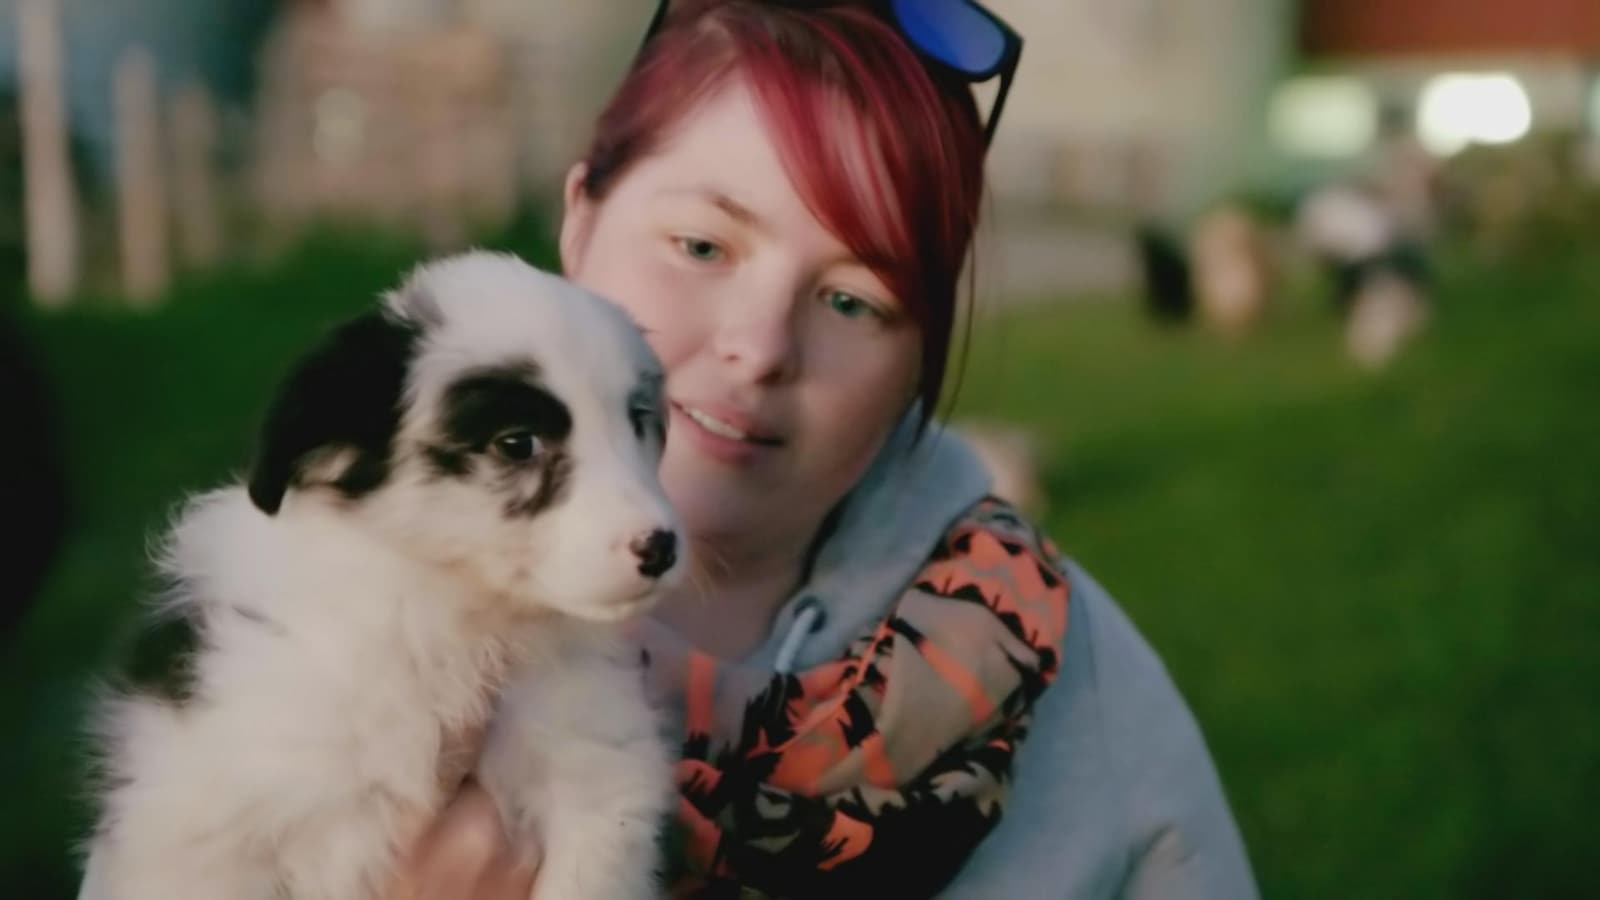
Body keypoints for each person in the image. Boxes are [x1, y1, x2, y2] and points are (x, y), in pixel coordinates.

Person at [379, 1, 1256, 896]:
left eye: (851, 301)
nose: (760, 349)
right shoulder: (320, 618)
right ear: (581, 220)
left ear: (919, 353)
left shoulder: (1076, 675)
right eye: (701, 246)